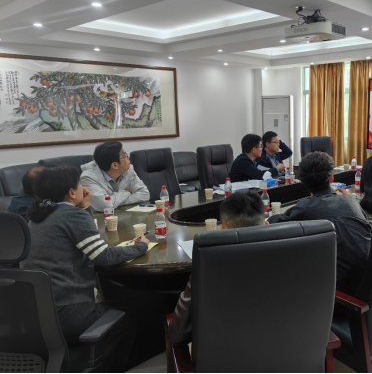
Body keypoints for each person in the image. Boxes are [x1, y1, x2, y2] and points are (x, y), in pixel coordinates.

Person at [21, 165, 150, 373]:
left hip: (37, 314)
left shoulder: (37, 216)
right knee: (129, 315)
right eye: (79, 184)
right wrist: (141, 247)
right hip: (66, 312)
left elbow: (84, 236)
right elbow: (103, 256)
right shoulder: (70, 215)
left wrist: (84, 206)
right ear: (72, 192)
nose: (83, 187)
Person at [169, 191, 266, 346]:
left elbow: (177, 334)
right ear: (266, 224)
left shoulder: (208, 265)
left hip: (223, 352)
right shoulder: (288, 256)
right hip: (280, 348)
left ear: (223, 229)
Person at [268, 152, 371, 295]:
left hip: (337, 292)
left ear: (302, 183)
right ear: (332, 179)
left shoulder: (305, 207)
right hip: (368, 282)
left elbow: (270, 224)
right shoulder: (351, 201)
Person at [80, 141, 150, 212]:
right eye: (125, 156)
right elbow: (104, 205)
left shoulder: (128, 170)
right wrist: (127, 193)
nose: (128, 158)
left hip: (123, 214)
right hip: (100, 217)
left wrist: (115, 202)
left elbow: (145, 194)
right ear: (115, 165)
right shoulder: (88, 178)